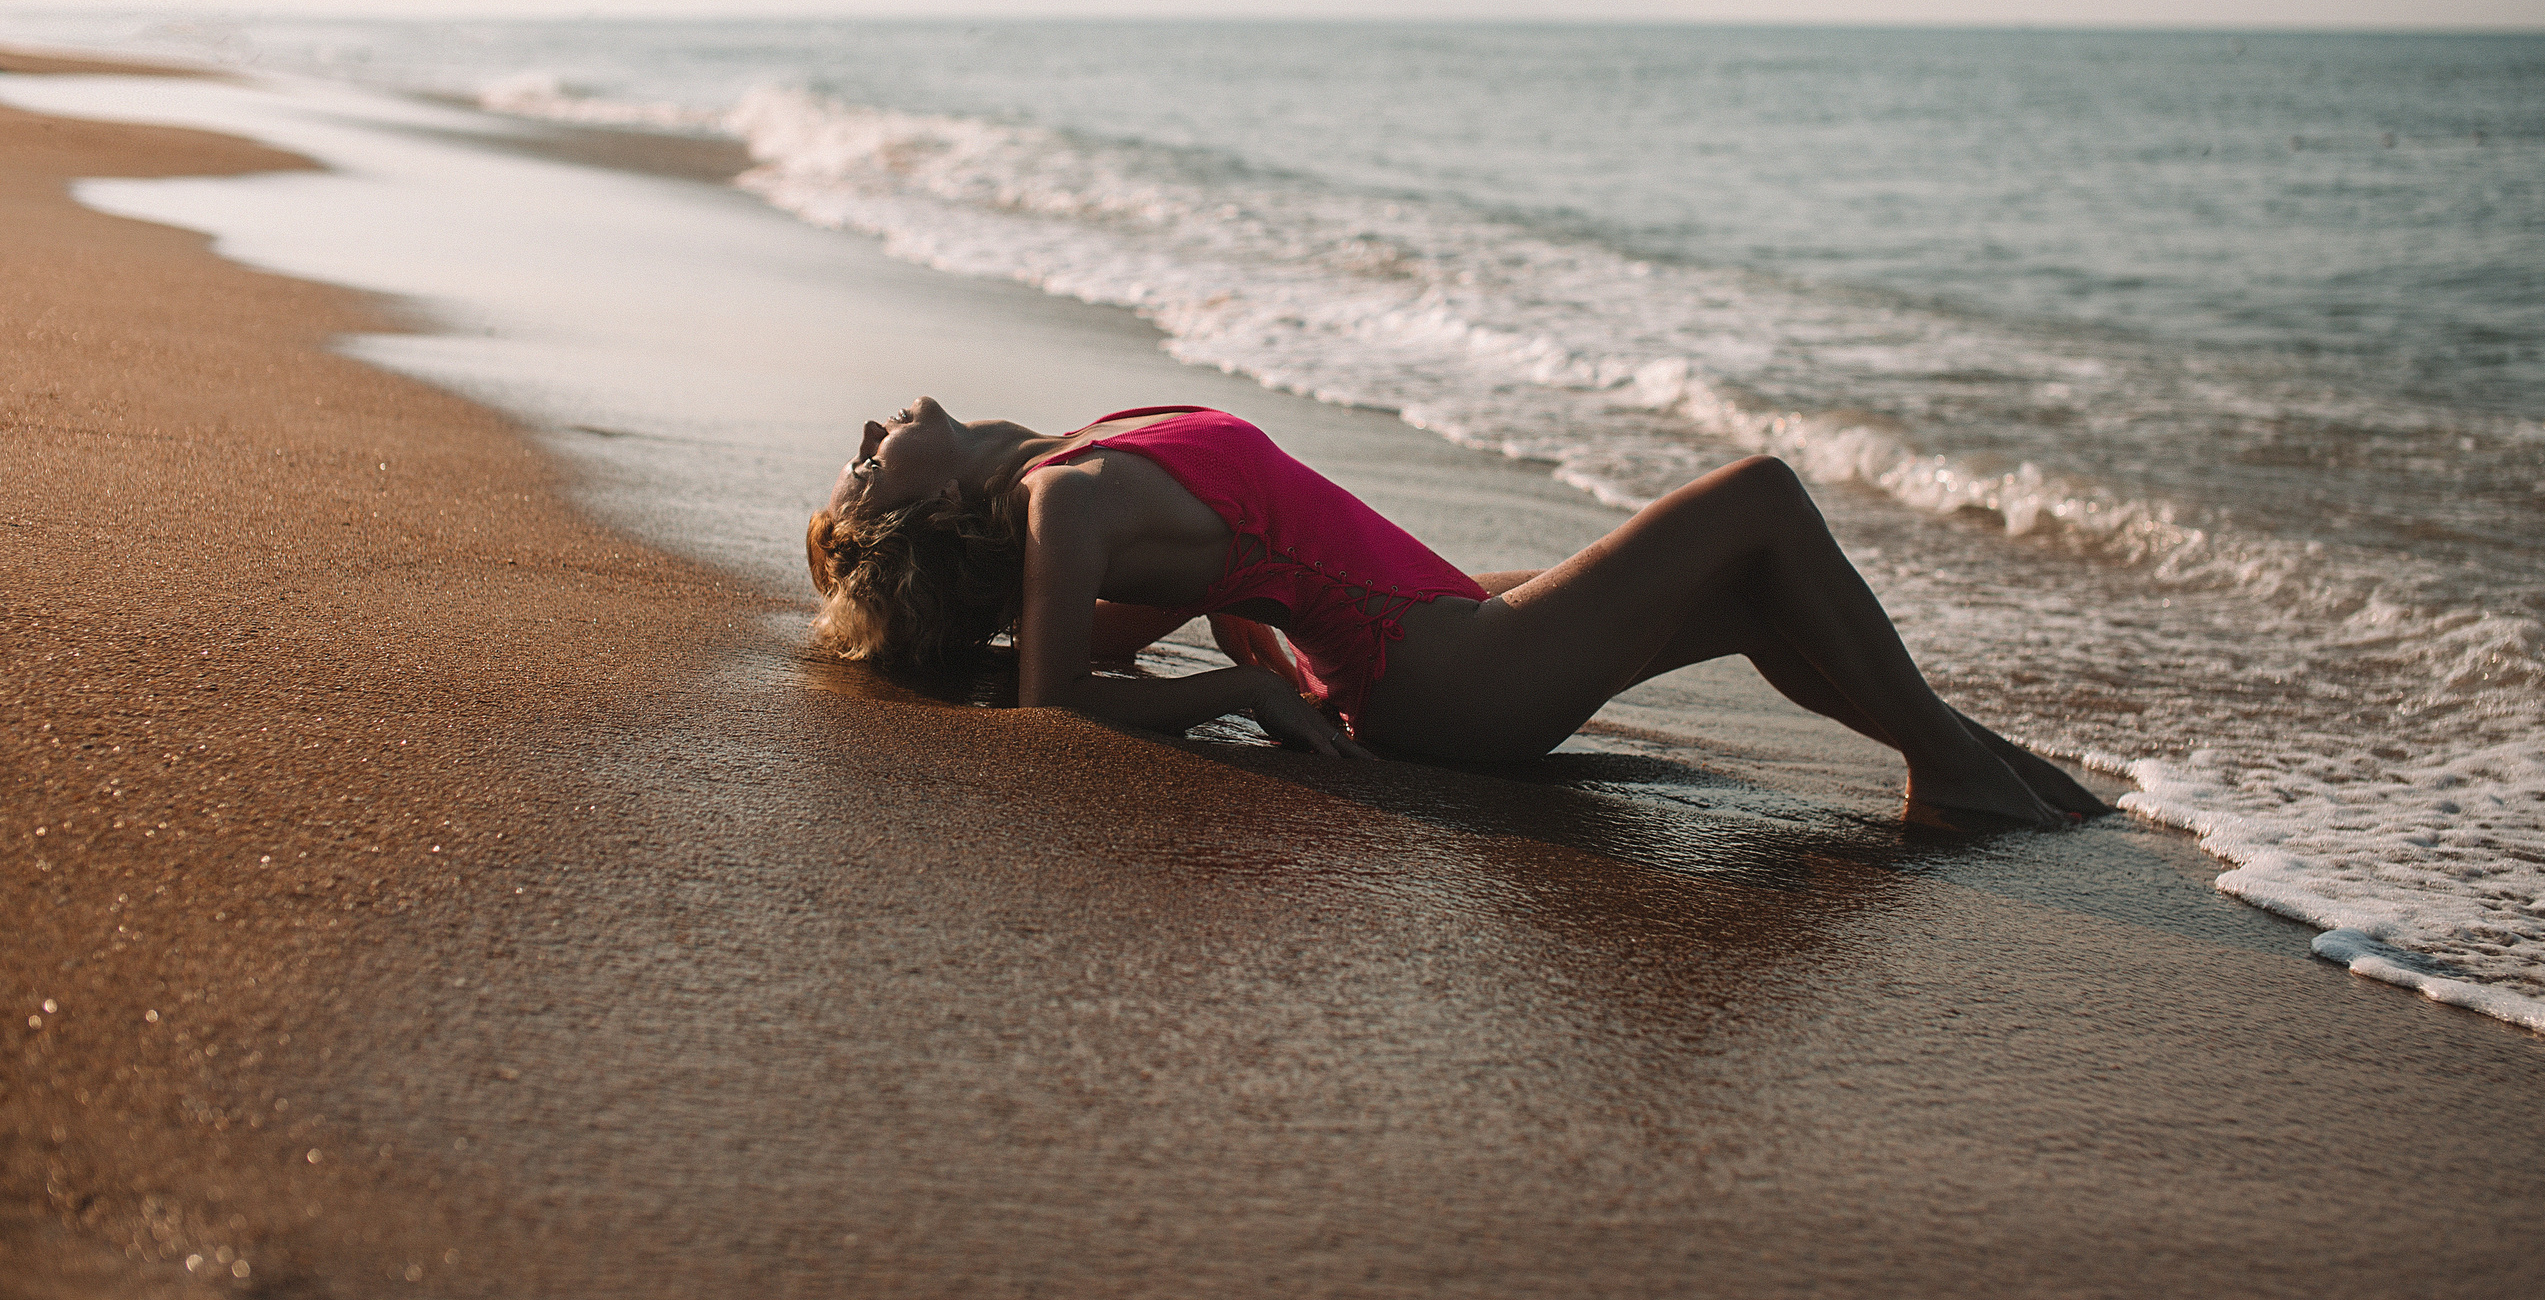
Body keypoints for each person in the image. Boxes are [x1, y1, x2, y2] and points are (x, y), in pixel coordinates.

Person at [806, 398, 2106, 827]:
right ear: (921, 515)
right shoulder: (1063, 503)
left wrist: (1251, 640)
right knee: (1757, 495)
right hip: (1447, 677)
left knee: (1761, 597)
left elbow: (1197, 582)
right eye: (863, 468)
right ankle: (1956, 774)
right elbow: (1053, 702)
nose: (870, 432)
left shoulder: (1074, 465)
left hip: (1431, 632)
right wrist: (1243, 688)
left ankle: (2003, 778)